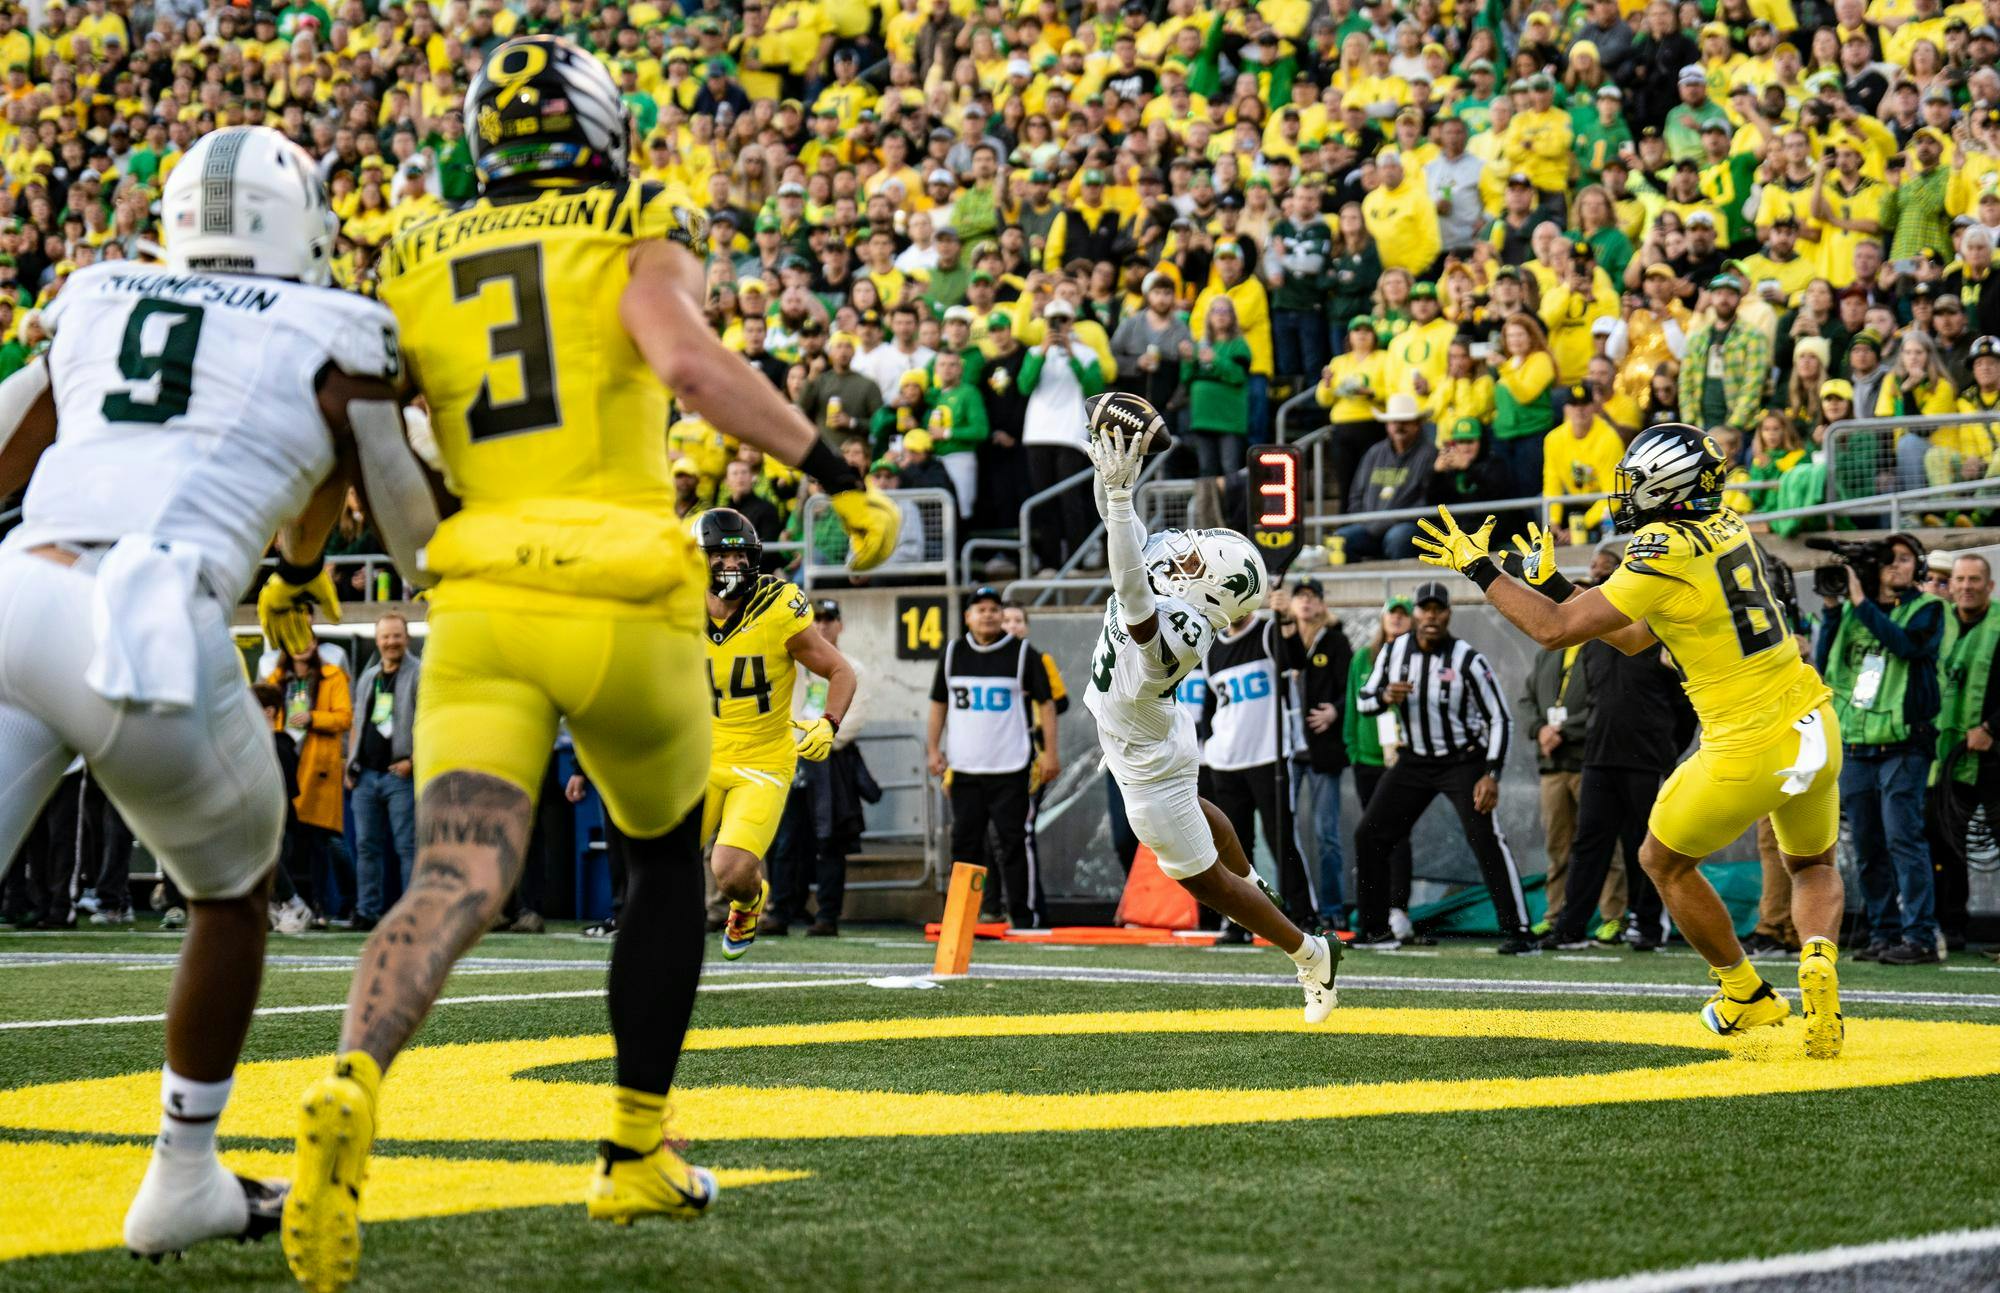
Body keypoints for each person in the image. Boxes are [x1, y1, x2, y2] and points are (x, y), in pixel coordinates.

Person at [284, 39, 899, 1287]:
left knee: (451, 876)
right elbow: (686, 362)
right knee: (666, 862)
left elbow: (346, 433)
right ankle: (630, 1149)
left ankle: (351, 1078)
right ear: (599, 125)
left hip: (481, 603)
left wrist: (295, 577)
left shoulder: (410, 252)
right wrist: (833, 474)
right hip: (623, 595)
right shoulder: (633, 216)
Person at [0, 125, 433, 1260]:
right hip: (146, 618)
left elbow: (5, 443)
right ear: (306, 225)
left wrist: (295, 548)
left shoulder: (98, 291)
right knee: (232, 893)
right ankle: (182, 1176)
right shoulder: (342, 330)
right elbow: (413, 537)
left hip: (14, 590)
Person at [1410, 423, 1846, 1059]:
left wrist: (1480, 567)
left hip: (1744, 741)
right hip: (1812, 723)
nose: (1630, 493)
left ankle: (1744, 992)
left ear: (1668, 486)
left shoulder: (1663, 544)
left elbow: (1556, 632)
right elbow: (1641, 633)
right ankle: (1817, 958)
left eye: (1640, 481)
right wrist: (1559, 583)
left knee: (1661, 863)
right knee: (1814, 864)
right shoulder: (1726, 523)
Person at [1080, 402, 1340, 1018]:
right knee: (1198, 810)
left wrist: (1120, 500)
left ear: (1213, 591)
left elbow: (1131, 591)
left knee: (1203, 883)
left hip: (1143, 757)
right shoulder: (1179, 587)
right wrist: (1111, 469)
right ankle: (1254, 879)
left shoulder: (1186, 625)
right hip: (1149, 733)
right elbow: (1118, 527)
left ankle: (1310, 954)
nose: (1182, 554)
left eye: (1196, 560)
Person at [695, 508, 855, 957]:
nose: (735, 567)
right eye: (723, 558)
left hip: (763, 758)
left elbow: (839, 670)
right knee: (660, 859)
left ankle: (749, 902)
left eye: (743, 557)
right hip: (700, 756)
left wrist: (828, 722)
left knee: (728, 869)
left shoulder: (776, 607)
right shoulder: (675, 607)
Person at [1352, 582, 1531, 953]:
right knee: (1369, 835)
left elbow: (1500, 718)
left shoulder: (1468, 659)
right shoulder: (1395, 650)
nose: (1431, 616)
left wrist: (1491, 773)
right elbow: (1364, 700)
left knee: (1485, 837)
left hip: (1462, 760)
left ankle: (1520, 931)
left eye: (1439, 609)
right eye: (1425, 609)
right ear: (1416, 613)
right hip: (1415, 759)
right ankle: (1373, 931)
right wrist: (1386, 696)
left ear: (1449, 613)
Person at [1815, 532, 1945, 966]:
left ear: (1919, 567)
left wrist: (1858, 601)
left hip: (1905, 744)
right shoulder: (1854, 611)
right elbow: (1827, 658)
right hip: (1855, 744)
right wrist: (1833, 610)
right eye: (1888, 560)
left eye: (1905, 559)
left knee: (1903, 839)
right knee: (1868, 844)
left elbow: (1905, 644)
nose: (1895, 566)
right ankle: (1883, 930)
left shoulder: (1929, 609)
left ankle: (1921, 936)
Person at [927, 587, 1059, 927]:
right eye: (980, 609)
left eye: (993, 609)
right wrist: (932, 748)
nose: (987, 614)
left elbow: (1047, 704)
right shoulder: (954, 652)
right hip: (966, 767)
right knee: (965, 844)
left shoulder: (1023, 654)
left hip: (1010, 765)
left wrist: (1050, 754)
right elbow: (939, 703)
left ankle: (1021, 914)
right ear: (967, 617)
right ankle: (962, 915)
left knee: (1012, 842)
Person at [1202, 599, 1314, 930]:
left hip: (1268, 757)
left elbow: (1296, 660)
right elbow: (1211, 706)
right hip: (1225, 761)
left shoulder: (1267, 632)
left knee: (1280, 837)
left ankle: (1305, 914)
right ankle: (1238, 921)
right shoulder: (1211, 649)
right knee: (1233, 847)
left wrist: (1287, 621)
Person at [769, 598, 870, 938]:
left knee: (830, 841)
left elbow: (855, 718)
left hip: (831, 760)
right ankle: (780, 911)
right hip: (792, 757)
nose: (823, 625)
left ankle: (827, 915)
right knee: (785, 839)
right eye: (818, 619)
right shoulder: (791, 664)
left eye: (830, 619)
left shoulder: (853, 667)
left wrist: (825, 737)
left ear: (840, 625)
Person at [1927, 552, 1996, 956]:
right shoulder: (1939, 625)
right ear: (1951, 586)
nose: (1966, 587)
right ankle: (1951, 928)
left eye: (1975, 580)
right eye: (1960, 580)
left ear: (1990, 586)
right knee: (1946, 844)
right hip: (1948, 758)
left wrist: (1991, 729)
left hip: (1994, 754)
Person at [266, 644, 355, 925]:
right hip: (285, 763)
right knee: (286, 843)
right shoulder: (274, 677)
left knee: (323, 842)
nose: (301, 645)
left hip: (318, 767)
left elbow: (345, 717)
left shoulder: (333, 675)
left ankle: (325, 906)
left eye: (306, 637)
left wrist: (313, 717)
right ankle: (287, 904)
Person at [345, 614, 421, 933]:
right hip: (366, 776)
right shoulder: (369, 676)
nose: (391, 642)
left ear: (407, 637)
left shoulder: (420, 674)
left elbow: (430, 722)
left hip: (400, 774)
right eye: (385, 637)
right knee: (366, 847)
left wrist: (413, 761)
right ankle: (367, 911)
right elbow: (356, 722)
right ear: (377, 640)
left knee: (407, 846)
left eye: (396, 636)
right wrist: (350, 765)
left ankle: (412, 913)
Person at [1286, 581, 1354, 933]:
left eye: (1313, 597)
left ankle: (1331, 908)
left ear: (1323, 605)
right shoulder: (1280, 640)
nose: (1307, 602)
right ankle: (1295, 906)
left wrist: (1334, 712)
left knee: (1327, 833)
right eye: (1301, 596)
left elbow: (1352, 689)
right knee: (1283, 832)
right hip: (1285, 749)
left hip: (1322, 750)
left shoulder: (1336, 641)